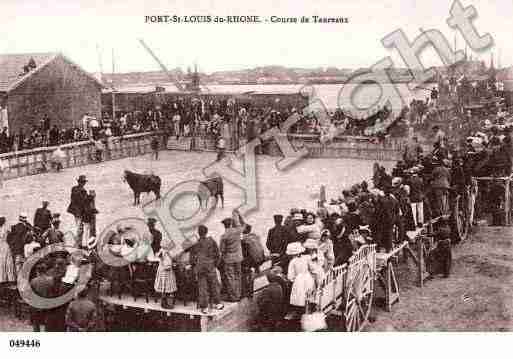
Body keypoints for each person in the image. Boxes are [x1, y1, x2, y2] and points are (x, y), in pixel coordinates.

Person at [189, 225, 224, 314]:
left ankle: (204, 307)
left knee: (202, 287)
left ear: (198, 233)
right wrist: (215, 264)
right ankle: (217, 303)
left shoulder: (195, 244)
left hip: (200, 267)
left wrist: (194, 265)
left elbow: (192, 258)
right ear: (206, 232)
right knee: (214, 284)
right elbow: (217, 254)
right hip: (210, 266)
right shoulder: (211, 241)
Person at [219, 210, 245, 302]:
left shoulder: (224, 236)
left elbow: (222, 250)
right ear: (230, 224)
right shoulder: (237, 231)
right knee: (238, 276)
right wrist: (239, 215)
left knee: (231, 278)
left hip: (229, 259)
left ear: (224, 225)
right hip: (238, 257)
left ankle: (233, 297)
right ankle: (239, 294)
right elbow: (244, 224)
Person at [154, 239, 177, 309]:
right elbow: (167, 261)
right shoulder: (165, 252)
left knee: (165, 287)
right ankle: (164, 303)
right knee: (165, 286)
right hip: (165, 270)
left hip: (163, 269)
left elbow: (160, 257)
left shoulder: (163, 251)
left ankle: (165, 302)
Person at [67, 175, 88, 246]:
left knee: (80, 228)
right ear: (79, 182)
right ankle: (78, 244)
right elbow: (80, 200)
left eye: (83, 182)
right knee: (79, 228)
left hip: (78, 211)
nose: (83, 183)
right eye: (82, 182)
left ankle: (79, 243)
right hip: (78, 212)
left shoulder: (79, 189)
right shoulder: (79, 190)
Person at [0, 217, 16, 284]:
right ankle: (2, 278)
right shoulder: (5, 229)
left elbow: (12, 234)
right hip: (3, 245)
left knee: (6, 261)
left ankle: (6, 278)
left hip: (4, 245)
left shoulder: (6, 228)